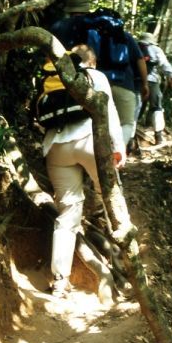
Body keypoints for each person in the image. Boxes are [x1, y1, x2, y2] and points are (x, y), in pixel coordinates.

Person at [43, 44, 126, 298]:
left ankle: (59, 280)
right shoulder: (95, 76)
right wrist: (118, 147)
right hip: (87, 140)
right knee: (111, 195)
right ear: (92, 62)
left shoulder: (52, 77)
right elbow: (108, 111)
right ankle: (125, 258)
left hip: (55, 146)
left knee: (68, 214)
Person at [50, 0, 149, 147]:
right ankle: (114, 155)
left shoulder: (61, 27)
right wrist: (144, 84)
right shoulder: (111, 31)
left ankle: (89, 159)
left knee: (92, 120)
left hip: (90, 81)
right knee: (126, 123)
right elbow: (140, 60)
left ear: (68, 8)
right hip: (124, 83)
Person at [136, 33, 172, 145]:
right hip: (152, 81)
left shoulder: (134, 47)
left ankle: (131, 135)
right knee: (156, 107)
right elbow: (164, 65)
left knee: (137, 105)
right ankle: (158, 136)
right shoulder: (155, 49)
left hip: (135, 80)